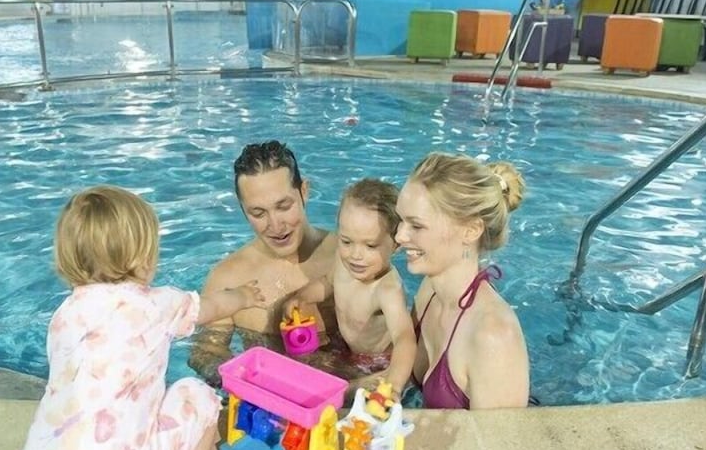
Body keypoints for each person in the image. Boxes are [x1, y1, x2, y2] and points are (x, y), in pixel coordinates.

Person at [0, 185, 265, 450]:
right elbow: (213, 307)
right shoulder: (159, 304)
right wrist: (244, 295)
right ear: (143, 258)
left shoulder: (63, 316)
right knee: (201, 396)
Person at [188, 140, 340, 385]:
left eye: (284, 206)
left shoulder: (345, 257)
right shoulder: (227, 278)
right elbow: (205, 352)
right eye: (258, 213)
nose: (275, 225)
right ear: (242, 209)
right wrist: (241, 378)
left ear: (304, 191)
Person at [394, 153, 530, 410]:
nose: (400, 236)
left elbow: (499, 437)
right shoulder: (429, 291)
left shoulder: (493, 337)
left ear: (471, 230)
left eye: (417, 226)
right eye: (401, 220)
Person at [281, 178, 416, 396]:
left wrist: (394, 385)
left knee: (343, 394)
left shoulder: (386, 289)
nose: (355, 254)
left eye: (370, 245)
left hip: (378, 364)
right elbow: (327, 283)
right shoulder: (343, 263)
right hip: (348, 351)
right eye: (346, 241)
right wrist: (302, 297)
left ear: (396, 243)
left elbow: (404, 338)